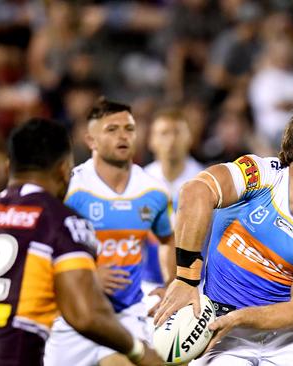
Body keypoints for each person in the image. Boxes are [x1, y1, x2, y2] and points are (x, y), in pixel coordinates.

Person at [0, 118, 162, 366]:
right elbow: (84, 315)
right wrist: (138, 350)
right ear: (64, 169)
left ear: (8, 168)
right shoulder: (61, 222)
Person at [155, 105, 293, 365]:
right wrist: (186, 278)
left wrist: (241, 317)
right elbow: (195, 192)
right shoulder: (259, 175)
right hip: (222, 333)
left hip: (285, 340)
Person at [44, 99, 175, 366]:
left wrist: (170, 284)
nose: (123, 136)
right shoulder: (69, 189)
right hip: (72, 315)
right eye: (112, 129)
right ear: (90, 140)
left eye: (129, 128)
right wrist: (87, 275)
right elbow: (42, 247)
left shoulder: (154, 190)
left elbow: (168, 239)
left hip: (125, 314)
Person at [142, 108, 203, 307]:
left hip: (195, 284)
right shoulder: (139, 184)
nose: (171, 140)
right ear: (151, 140)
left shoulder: (205, 183)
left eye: (177, 132)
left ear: (190, 138)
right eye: (164, 133)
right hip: (147, 284)